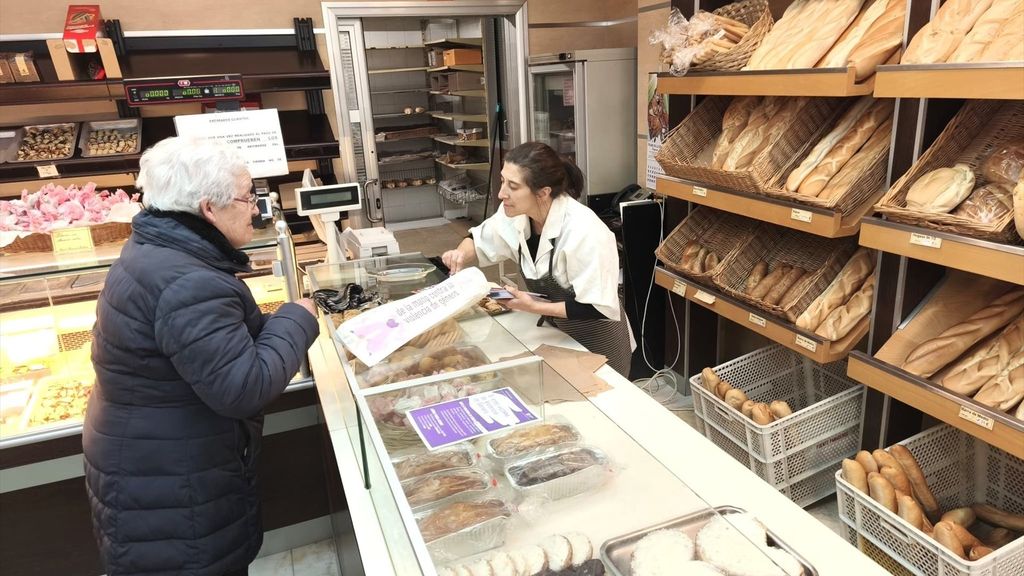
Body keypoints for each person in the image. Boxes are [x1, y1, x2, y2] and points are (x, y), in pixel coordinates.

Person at [83, 137, 320, 576]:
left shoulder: (156, 249)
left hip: (149, 464)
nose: (256, 208)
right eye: (248, 197)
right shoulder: (188, 281)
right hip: (174, 486)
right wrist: (297, 318)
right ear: (209, 209)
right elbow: (243, 388)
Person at [442, 141, 634, 376]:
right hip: (559, 335)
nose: (502, 194)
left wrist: (533, 306)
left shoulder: (584, 231)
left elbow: (597, 308)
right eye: (503, 181)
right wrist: (460, 254)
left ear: (543, 192)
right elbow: (480, 238)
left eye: (513, 186)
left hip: (598, 341)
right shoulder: (514, 214)